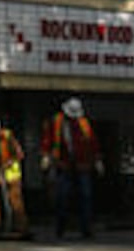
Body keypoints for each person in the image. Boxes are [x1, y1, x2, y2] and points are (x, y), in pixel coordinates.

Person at [41, 96, 102, 239]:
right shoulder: (56, 122)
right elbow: (48, 139)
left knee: (86, 196)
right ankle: (61, 227)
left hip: (83, 164)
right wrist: (46, 156)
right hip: (63, 164)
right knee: (62, 197)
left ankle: (86, 228)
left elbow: (92, 142)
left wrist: (97, 160)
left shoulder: (84, 123)